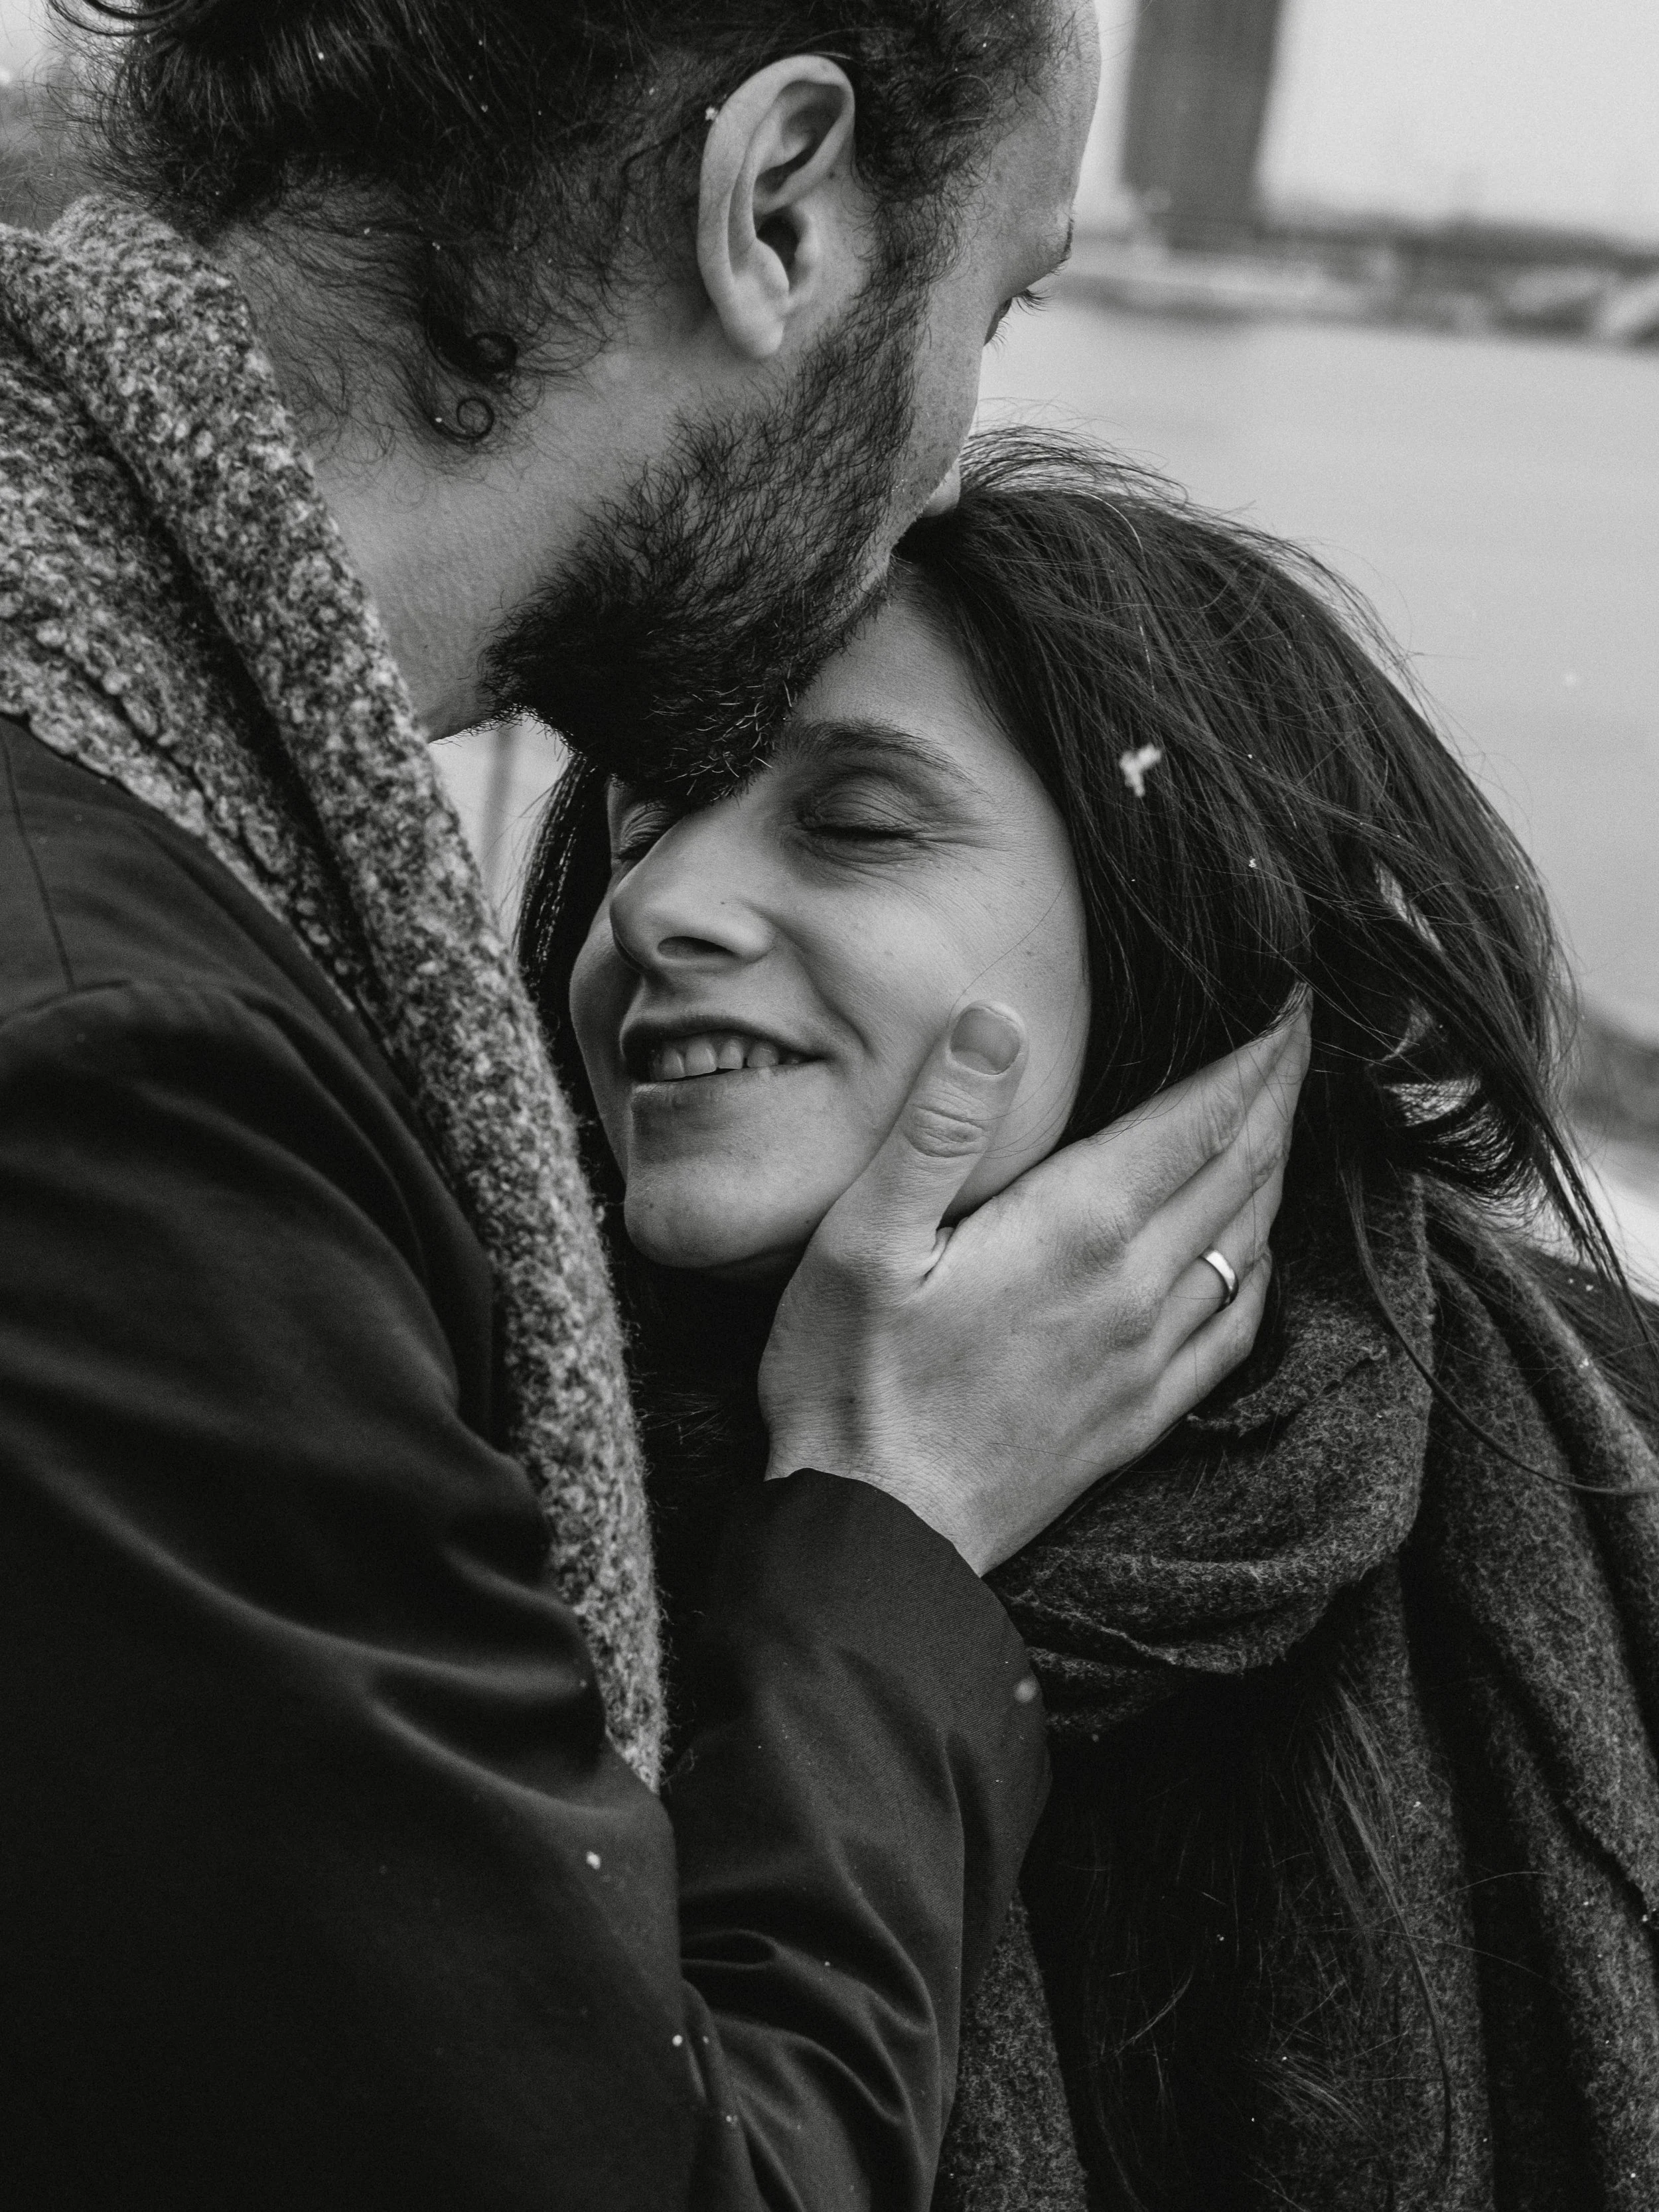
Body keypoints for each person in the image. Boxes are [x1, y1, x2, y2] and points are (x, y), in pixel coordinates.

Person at [0, 8, 1304, 2208]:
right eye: (998, 303)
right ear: (774, 201)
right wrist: (887, 1527)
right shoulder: (127, 1080)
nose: (950, 465)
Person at [527, 431, 1659, 2211]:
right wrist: (870, 1527)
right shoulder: (438, 1477)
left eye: (856, 820)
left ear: (1172, 908)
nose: (658, 904)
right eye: (642, 820)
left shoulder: (1596, 1452)